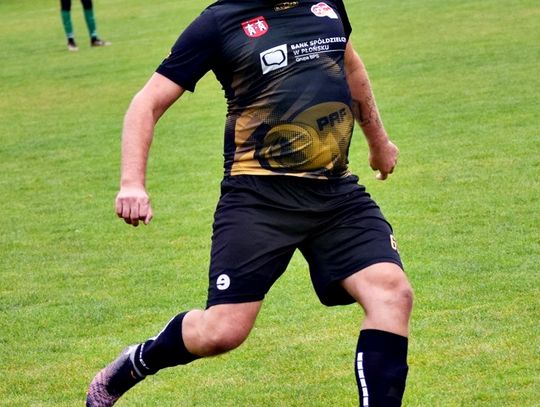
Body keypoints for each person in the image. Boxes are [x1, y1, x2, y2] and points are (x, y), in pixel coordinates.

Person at [86, 0, 413, 405]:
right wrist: (131, 183)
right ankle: (137, 361)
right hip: (259, 200)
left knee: (392, 293)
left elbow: (350, 68)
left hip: (335, 194)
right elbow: (147, 102)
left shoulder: (327, 4)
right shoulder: (219, 22)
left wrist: (378, 142)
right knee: (222, 332)